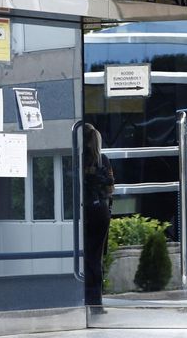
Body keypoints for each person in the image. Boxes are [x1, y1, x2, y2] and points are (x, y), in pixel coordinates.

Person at [82, 123, 114, 308]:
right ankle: (96, 299)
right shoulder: (103, 160)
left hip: (86, 211)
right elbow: (111, 188)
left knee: (87, 255)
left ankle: (88, 297)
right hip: (101, 211)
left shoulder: (81, 161)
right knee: (96, 255)